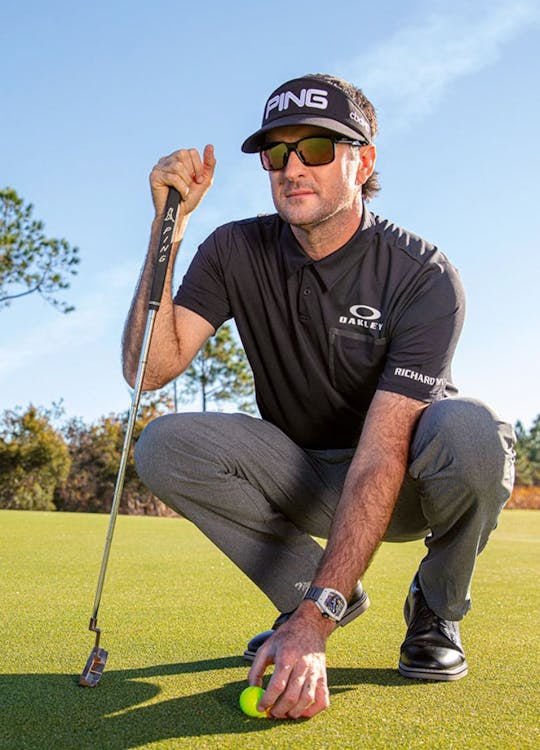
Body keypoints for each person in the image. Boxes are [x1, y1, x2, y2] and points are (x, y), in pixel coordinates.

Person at [123, 74, 515, 720]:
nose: (291, 168)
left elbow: (383, 455)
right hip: (304, 474)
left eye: (315, 149)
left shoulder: (422, 275)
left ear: (362, 161)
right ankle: (318, 589)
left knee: (474, 432)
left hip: (407, 476)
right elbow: (148, 368)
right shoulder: (234, 249)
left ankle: (435, 612)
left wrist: (315, 622)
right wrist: (168, 225)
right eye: (276, 153)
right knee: (165, 444)